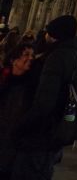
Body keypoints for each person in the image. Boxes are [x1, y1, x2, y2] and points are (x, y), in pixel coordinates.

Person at [13, 15, 77, 180]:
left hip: (40, 134)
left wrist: (21, 126)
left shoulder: (56, 58)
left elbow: (44, 102)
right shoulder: (75, 55)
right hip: (56, 130)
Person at [0, 43, 37, 178]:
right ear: (13, 60)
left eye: (32, 55)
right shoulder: (4, 79)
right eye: (26, 55)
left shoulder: (31, 85)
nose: (31, 58)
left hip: (14, 143)